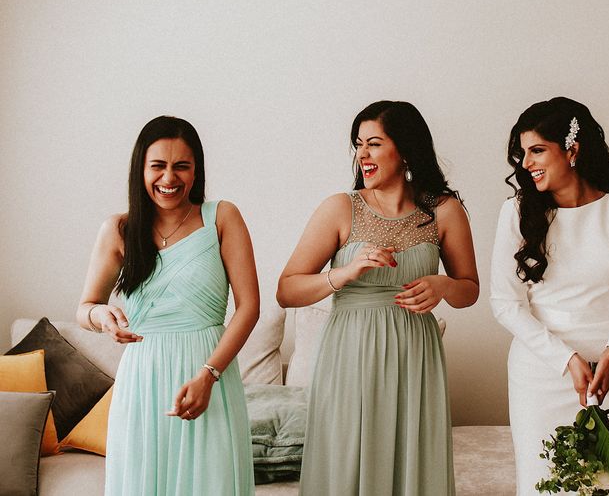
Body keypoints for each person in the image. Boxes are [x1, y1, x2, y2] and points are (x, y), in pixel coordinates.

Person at [277, 100, 478, 496]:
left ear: (404, 150)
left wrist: (443, 286)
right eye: (358, 145)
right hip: (349, 355)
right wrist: (344, 273)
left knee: (412, 457)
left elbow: (468, 288)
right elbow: (287, 289)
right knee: (347, 456)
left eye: (373, 144)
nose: (361, 155)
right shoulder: (340, 208)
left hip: (415, 358)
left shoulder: (444, 211)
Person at [77, 116, 259, 495]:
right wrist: (101, 316)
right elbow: (85, 307)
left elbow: (249, 308)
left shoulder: (221, 218)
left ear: (196, 171)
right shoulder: (120, 229)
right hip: (142, 382)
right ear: (141, 169)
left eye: (182, 166)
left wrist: (208, 375)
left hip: (208, 376)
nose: (169, 178)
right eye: (158, 166)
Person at [490, 97, 609, 496]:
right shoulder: (516, 211)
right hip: (541, 375)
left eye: (537, 150)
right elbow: (506, 303)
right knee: (543, 485)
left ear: (572, 149)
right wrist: (565, 360)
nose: (526, 163)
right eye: (522, 153)